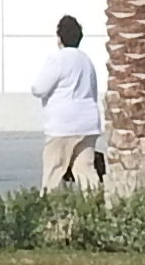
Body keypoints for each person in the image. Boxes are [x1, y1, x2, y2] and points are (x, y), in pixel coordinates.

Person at [26, 13, 105, 190]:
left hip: (62, 125)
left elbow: (40, 88)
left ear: (60, 37)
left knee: (54, 171)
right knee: (85, 170)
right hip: (88, 124)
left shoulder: (57, 59)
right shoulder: (86, 60)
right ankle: (93, 202)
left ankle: (52, 204)